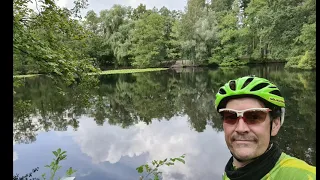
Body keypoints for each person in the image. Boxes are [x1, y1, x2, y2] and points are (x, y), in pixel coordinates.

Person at [214, 75, 316, 180]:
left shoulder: (304, 176)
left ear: (275, 125)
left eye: (254, 117)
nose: (241, 128)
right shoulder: (231, 172)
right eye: (231, 117)